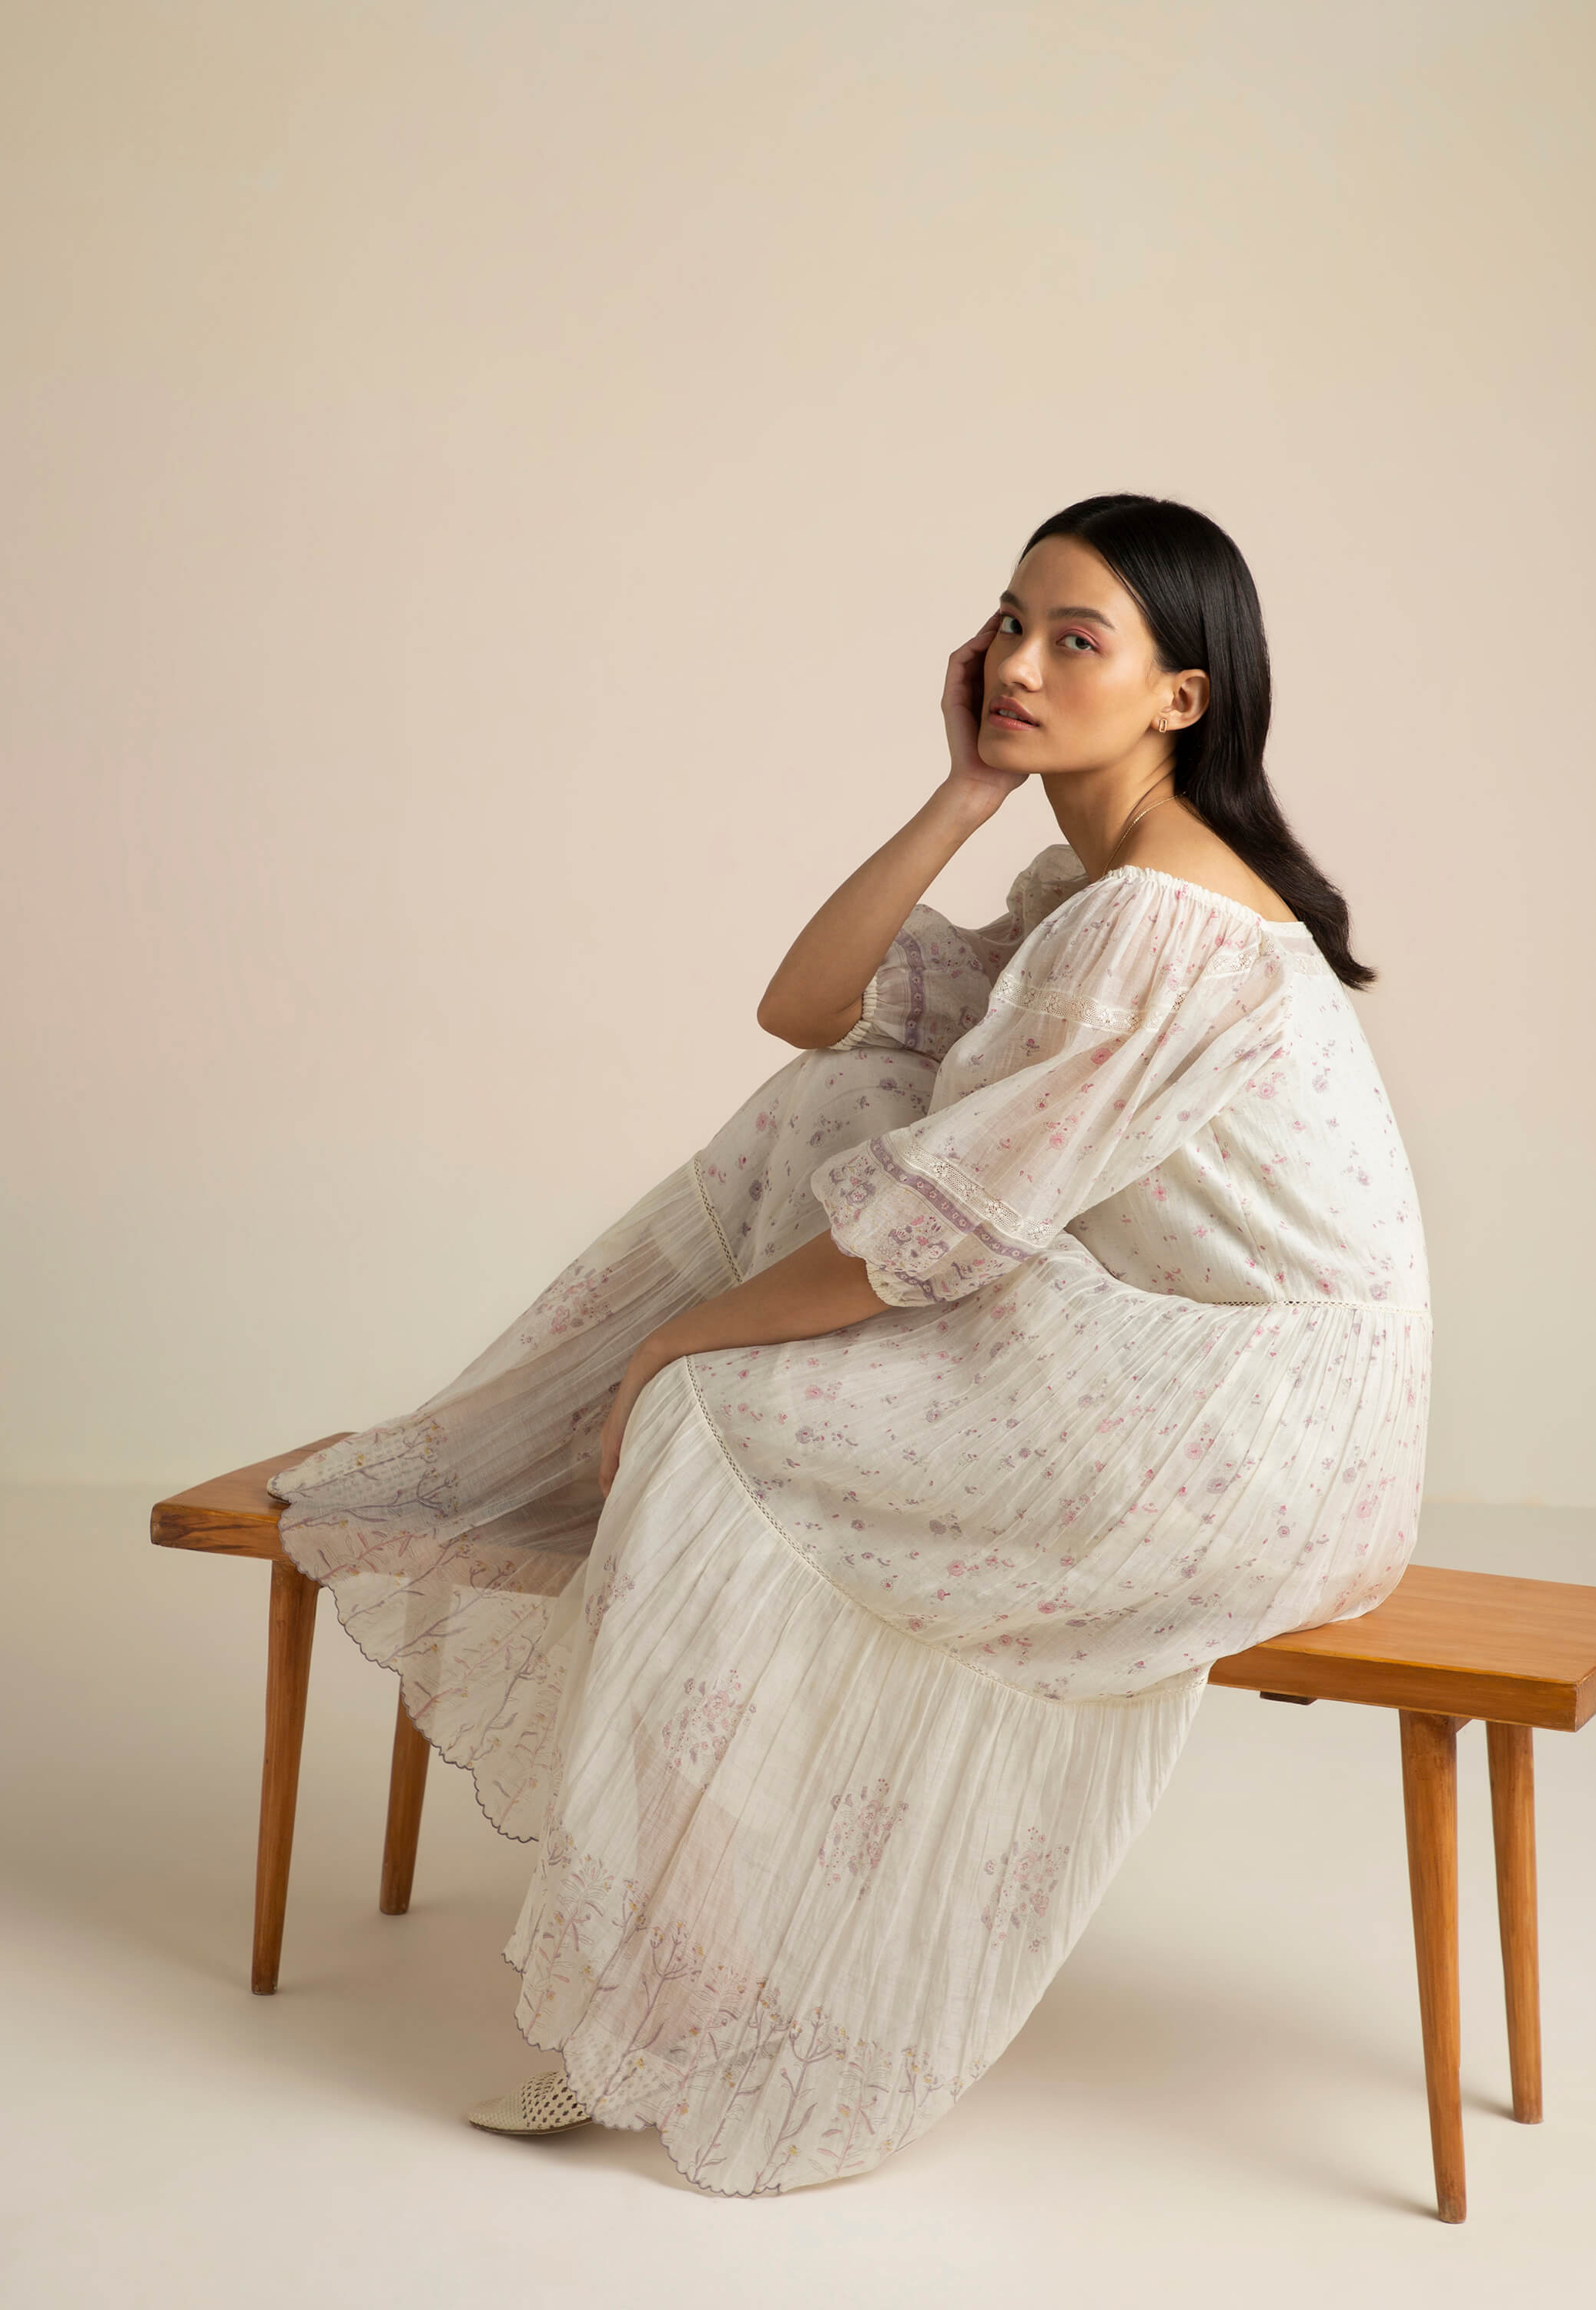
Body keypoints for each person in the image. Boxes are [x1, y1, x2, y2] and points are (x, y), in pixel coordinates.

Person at [267, 493, 1430, 2198]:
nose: (1021, 665)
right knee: (852, 1093)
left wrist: (672, 1352)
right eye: (1010, 625)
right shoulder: (1078, 882)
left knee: (711, 1420)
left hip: (1252, 1432)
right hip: (1207, 1382)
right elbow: (809, 1009)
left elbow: (932, 1236)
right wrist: (963, 793)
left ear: (1182, 697)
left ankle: (658, 2004)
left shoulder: (1156, 922)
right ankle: (674, 1944)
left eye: (1075, 641)